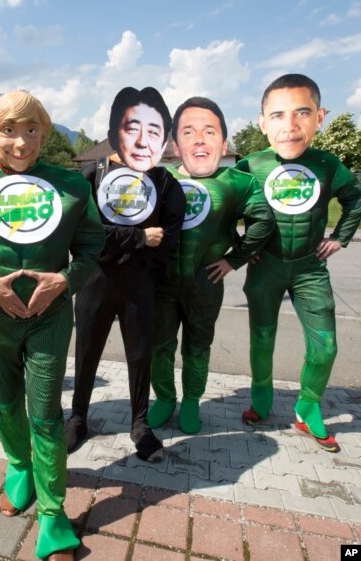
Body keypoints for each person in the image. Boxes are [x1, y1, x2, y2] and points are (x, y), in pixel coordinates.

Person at [0, 91, 104, 561]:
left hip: (49, 318)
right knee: (4, 401)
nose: (21, 141)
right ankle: (17, 466)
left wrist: (67, 279)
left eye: (32, 129)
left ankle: (53, 515)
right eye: (8, 130)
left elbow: (93, 244)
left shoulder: (73, 186)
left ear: (44, 134)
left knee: (45, 413)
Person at [237, 73, 361, 452]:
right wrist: (242, 245)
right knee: (262, 339)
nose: (289, 126)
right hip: (266, 266)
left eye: (302, 113)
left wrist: (339, 238)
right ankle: (261, 399)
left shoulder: (327, 164)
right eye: (277, 115)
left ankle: (307, 408)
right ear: (262, 122)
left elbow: (355, 197)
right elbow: (224, 208)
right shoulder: (250, 165)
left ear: (319, 117)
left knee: (325, 347)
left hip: (310, 268)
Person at [65, 86, 185, 459]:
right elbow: (78, 233)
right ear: (115, 129)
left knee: (139, 356)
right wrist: (136, 237)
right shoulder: (91, 175)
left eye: (154, 130)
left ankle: (140, 423)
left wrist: (134, 246)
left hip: (139, 283)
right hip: (94, 281)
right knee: (86, 352)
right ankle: (78, 418)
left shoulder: (165, 183)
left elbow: (169, 239)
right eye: (132, 127)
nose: (142, 139)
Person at [147, 97, 274, 434]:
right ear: (176, 144)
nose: (200, 139)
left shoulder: (238, 182)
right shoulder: (158, 177)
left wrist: (235, 258)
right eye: (189, 132)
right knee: (159, 345)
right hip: (161, 284)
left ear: (223, 141)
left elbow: (262, 221)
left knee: (198, 345)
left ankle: (191, 401)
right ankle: (164, 398)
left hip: (205, 283)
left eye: (209, 131)